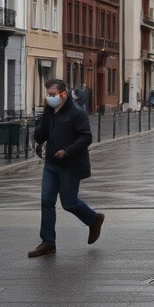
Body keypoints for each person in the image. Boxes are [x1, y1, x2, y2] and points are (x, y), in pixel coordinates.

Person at [28, 78, 104, 258]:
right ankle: (48, 242)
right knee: (46, 201)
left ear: (63, 94)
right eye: (48, 94)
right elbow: (42, 135)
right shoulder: (50, 112)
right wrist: (42, 122)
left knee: (69, 202)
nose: (50, 98)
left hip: (70, 165)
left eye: (53, 94)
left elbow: (86, 137)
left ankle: (94, 219)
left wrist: (67, 151)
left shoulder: (77, 114)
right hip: (51, 165)